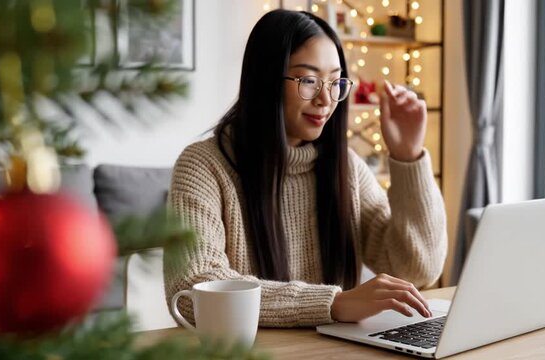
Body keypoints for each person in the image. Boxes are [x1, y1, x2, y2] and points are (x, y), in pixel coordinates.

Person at [164, 9, 447, 327]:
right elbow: (195, 288)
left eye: (335, 81)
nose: (326, 99)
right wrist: (334, 304)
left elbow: (417, 269)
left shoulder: (346, 167)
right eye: (309, 81)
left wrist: (408, 157)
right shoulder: (203, 166)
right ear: (266, 81)